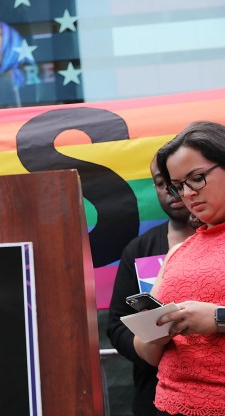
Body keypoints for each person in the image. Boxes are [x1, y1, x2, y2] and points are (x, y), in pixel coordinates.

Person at [134, 121, 225, 415]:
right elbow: (147, 353)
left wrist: (217, 318)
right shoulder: (178, 253)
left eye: (196, 178)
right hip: (169, 404)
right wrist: (156, 331)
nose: (186, 194)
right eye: (177, 186)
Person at [106, 155, 195, 416]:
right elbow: (116, 323)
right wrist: (147, 347)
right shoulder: (139, 250)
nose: (172, 190)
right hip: (156, 398)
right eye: (161, 182)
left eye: (183, 180)